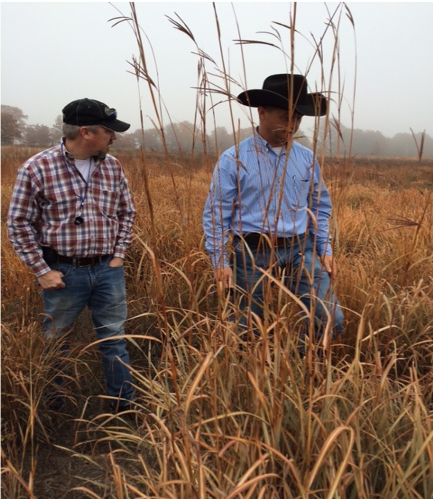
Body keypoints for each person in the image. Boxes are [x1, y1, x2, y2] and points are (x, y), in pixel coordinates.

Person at [7, 98, 136, 411]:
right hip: (64, 273)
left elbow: (126, 212)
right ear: (86, 132)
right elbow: (18, 224)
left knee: (114, 339)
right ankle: (54, 407)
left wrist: (118, 255)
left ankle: (123, 404)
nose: (114, 137)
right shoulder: (36, 168)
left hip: (108, 269)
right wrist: (42, 270)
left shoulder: (112, 165)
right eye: (109, 131)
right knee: (56, 341)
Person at [203, 74, 344, 348]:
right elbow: (217, 213)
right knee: (248, 329)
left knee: (329, 318)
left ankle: (299, 366)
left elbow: (319, 206)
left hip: (300, 248)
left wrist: (324, 247)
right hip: (251, 251)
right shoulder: (233, 159)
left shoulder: (306, 158)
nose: (292, 124)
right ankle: (256, 378)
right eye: (285, 116)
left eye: (298, 118)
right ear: (262, 112)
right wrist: (220, 261)